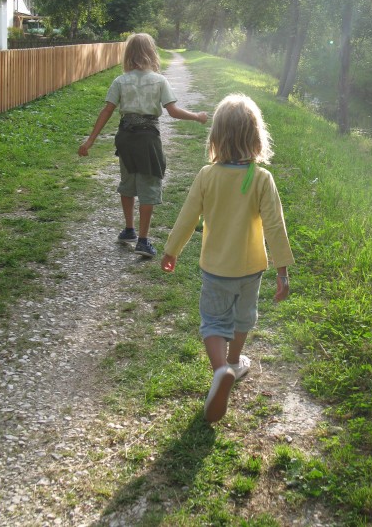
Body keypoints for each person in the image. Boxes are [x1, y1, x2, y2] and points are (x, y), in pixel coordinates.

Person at [160, 93, 293, 422]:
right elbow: (275, 226)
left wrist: (171, 250)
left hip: (216, 268)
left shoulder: (207, 175)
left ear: (216, 137)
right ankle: (234, 361)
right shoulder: (262, 179)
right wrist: (282, 271)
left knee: (214, 322)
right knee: (243, 317)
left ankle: (221, 370)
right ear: (255, 137)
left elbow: (188, 216)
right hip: (251, 269)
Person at [78, 33, 208, 258]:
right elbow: (173, 111)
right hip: (148, 140)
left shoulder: (121, 81)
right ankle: (143, 241)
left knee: (128, 182)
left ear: (129, 54)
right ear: (151, 53)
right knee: (149, 185)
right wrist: (197, 116)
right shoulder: (159, 80)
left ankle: (129, 229)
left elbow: (107, 110)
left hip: (126, 139)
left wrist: (90, 140)